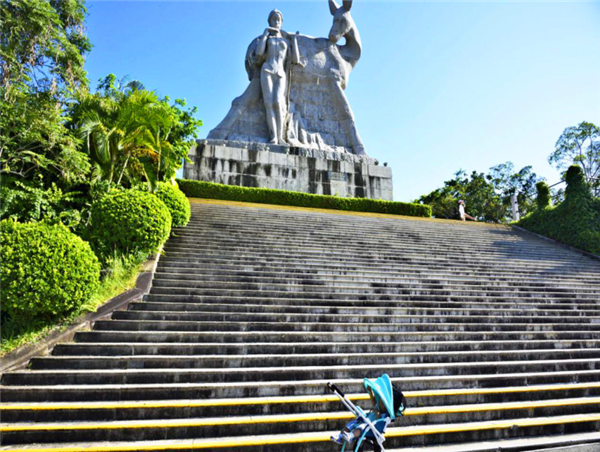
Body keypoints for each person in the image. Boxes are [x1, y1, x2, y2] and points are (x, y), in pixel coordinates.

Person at [256, 9, 293, 145]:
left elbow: (294, 59)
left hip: (280, 73)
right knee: (269, 103)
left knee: (278, 103)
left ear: (281, 23)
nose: (276, 22)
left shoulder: (286, 41)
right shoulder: (267, 39)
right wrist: (265, 35)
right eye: (274, 19)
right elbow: (259, 53)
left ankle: (281, 136)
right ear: (270, 21)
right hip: (267, 70)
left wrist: (294, 41)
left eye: (278, 19)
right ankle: (274, 137)